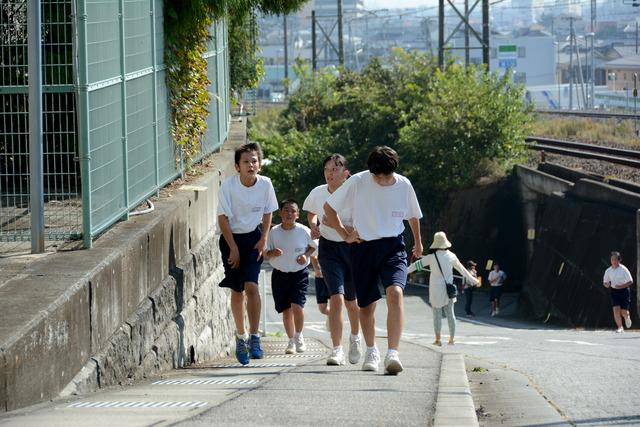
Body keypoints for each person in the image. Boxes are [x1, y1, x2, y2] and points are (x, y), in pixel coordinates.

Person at [324, 146, 423, 375]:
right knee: (366, 306)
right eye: (378, 175)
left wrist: (418, 242)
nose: (383, 180)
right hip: (363, 247)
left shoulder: (403, 184)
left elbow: (413, 215)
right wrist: (344, 234)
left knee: (395, 293)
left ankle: (393, 353)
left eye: (386, 175)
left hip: (393, 246)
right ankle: (371, 350)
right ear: (371, 172)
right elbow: (329, 208)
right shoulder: (358, 181)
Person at [217, 142, 278, 365]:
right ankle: (240, 336)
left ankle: (254, 337)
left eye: (254, 161)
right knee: (237, 289)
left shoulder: (266, 184)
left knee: (252, 285)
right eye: (246, 162)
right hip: (231, 238)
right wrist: (233, 248)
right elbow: (222, 218)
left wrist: (263, 239)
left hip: (253, 238)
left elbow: (268, 211)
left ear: (259, 165)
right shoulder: (229, 186)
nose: (251, 165)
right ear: (237, 166)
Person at [303, 153, 362, 366]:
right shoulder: (318, 192)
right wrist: (315, 225)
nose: (330, 174)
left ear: (346, 174)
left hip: (352, 248)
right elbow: (311, 212)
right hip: (329, 249)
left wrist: (339, 226)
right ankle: (337, 349)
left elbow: (362, 227)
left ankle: (355, 338)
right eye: (327, 169)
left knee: (352, 301)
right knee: (336, 297)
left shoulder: (356, 195)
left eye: (335, 170)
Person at [408, 232, 479, 346]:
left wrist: (403, 272)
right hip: (448, 289)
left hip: (435, 289)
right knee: (450, 314)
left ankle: (438, 339)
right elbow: (462, 270)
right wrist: (473, 280)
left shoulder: (431, 257)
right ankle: (452, 339)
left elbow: (416, 265)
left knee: (436, 315)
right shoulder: (451, 256)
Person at [265, 199, 317, 353]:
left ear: (297, 215)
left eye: (293, 211)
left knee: (297, 306)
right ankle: (290, 341)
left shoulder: (304, 230)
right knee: (286, 310)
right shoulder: (273, 233)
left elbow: (314, 246)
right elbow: (265, 254)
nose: (289, 213)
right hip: (279, 275)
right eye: (286, 210)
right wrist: (273, 253)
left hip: (299, 274)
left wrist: (305, 255)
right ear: (280, 213)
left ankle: (299, 336)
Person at [603, 251, 633, 333]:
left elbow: (630, 281)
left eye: (615, 259)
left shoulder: (624, 269)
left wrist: (621, 286)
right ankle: (620, 327)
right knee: (616, 309)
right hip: (614, 291)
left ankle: (627, 316)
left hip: (624, 291)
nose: (613, 261)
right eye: (612, 259)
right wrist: (607, 284)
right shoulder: (608, 271)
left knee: (624, 312)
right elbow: (605, 282)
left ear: (619, 260)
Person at [310, 252, 331, 331]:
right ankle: (331, 315)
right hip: (320, 277)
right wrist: (316, 268)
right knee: (322, 309)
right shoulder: (316, 241)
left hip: (333, 275)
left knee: (335, 305)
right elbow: (312, 254)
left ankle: (334, 335)